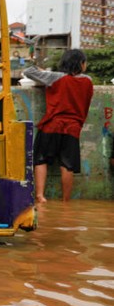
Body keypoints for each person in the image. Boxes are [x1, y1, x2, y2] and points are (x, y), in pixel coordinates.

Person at [24, 49, 94, 203]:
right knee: (67, 165)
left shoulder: (54, 77)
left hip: (52, 125)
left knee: (41, 159)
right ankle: (65, 201)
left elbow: (28, 71)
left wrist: (44, 71)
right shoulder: (88, 80)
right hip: (73, 128)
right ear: (81, 64)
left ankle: (40, 196)